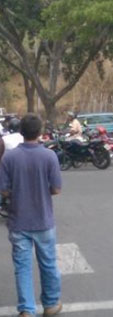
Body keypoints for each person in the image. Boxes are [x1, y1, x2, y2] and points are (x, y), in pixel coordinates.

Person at [0, 114, 63, 317]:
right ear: (40, 132)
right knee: (48, 263)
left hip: (19, 221)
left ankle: (27, 309)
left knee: (22, 267)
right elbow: (56, 190)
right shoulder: (49, 156)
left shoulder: (8, 157)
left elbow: (4, 190)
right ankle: (51, 304)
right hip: (43, 220)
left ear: (21, 133)